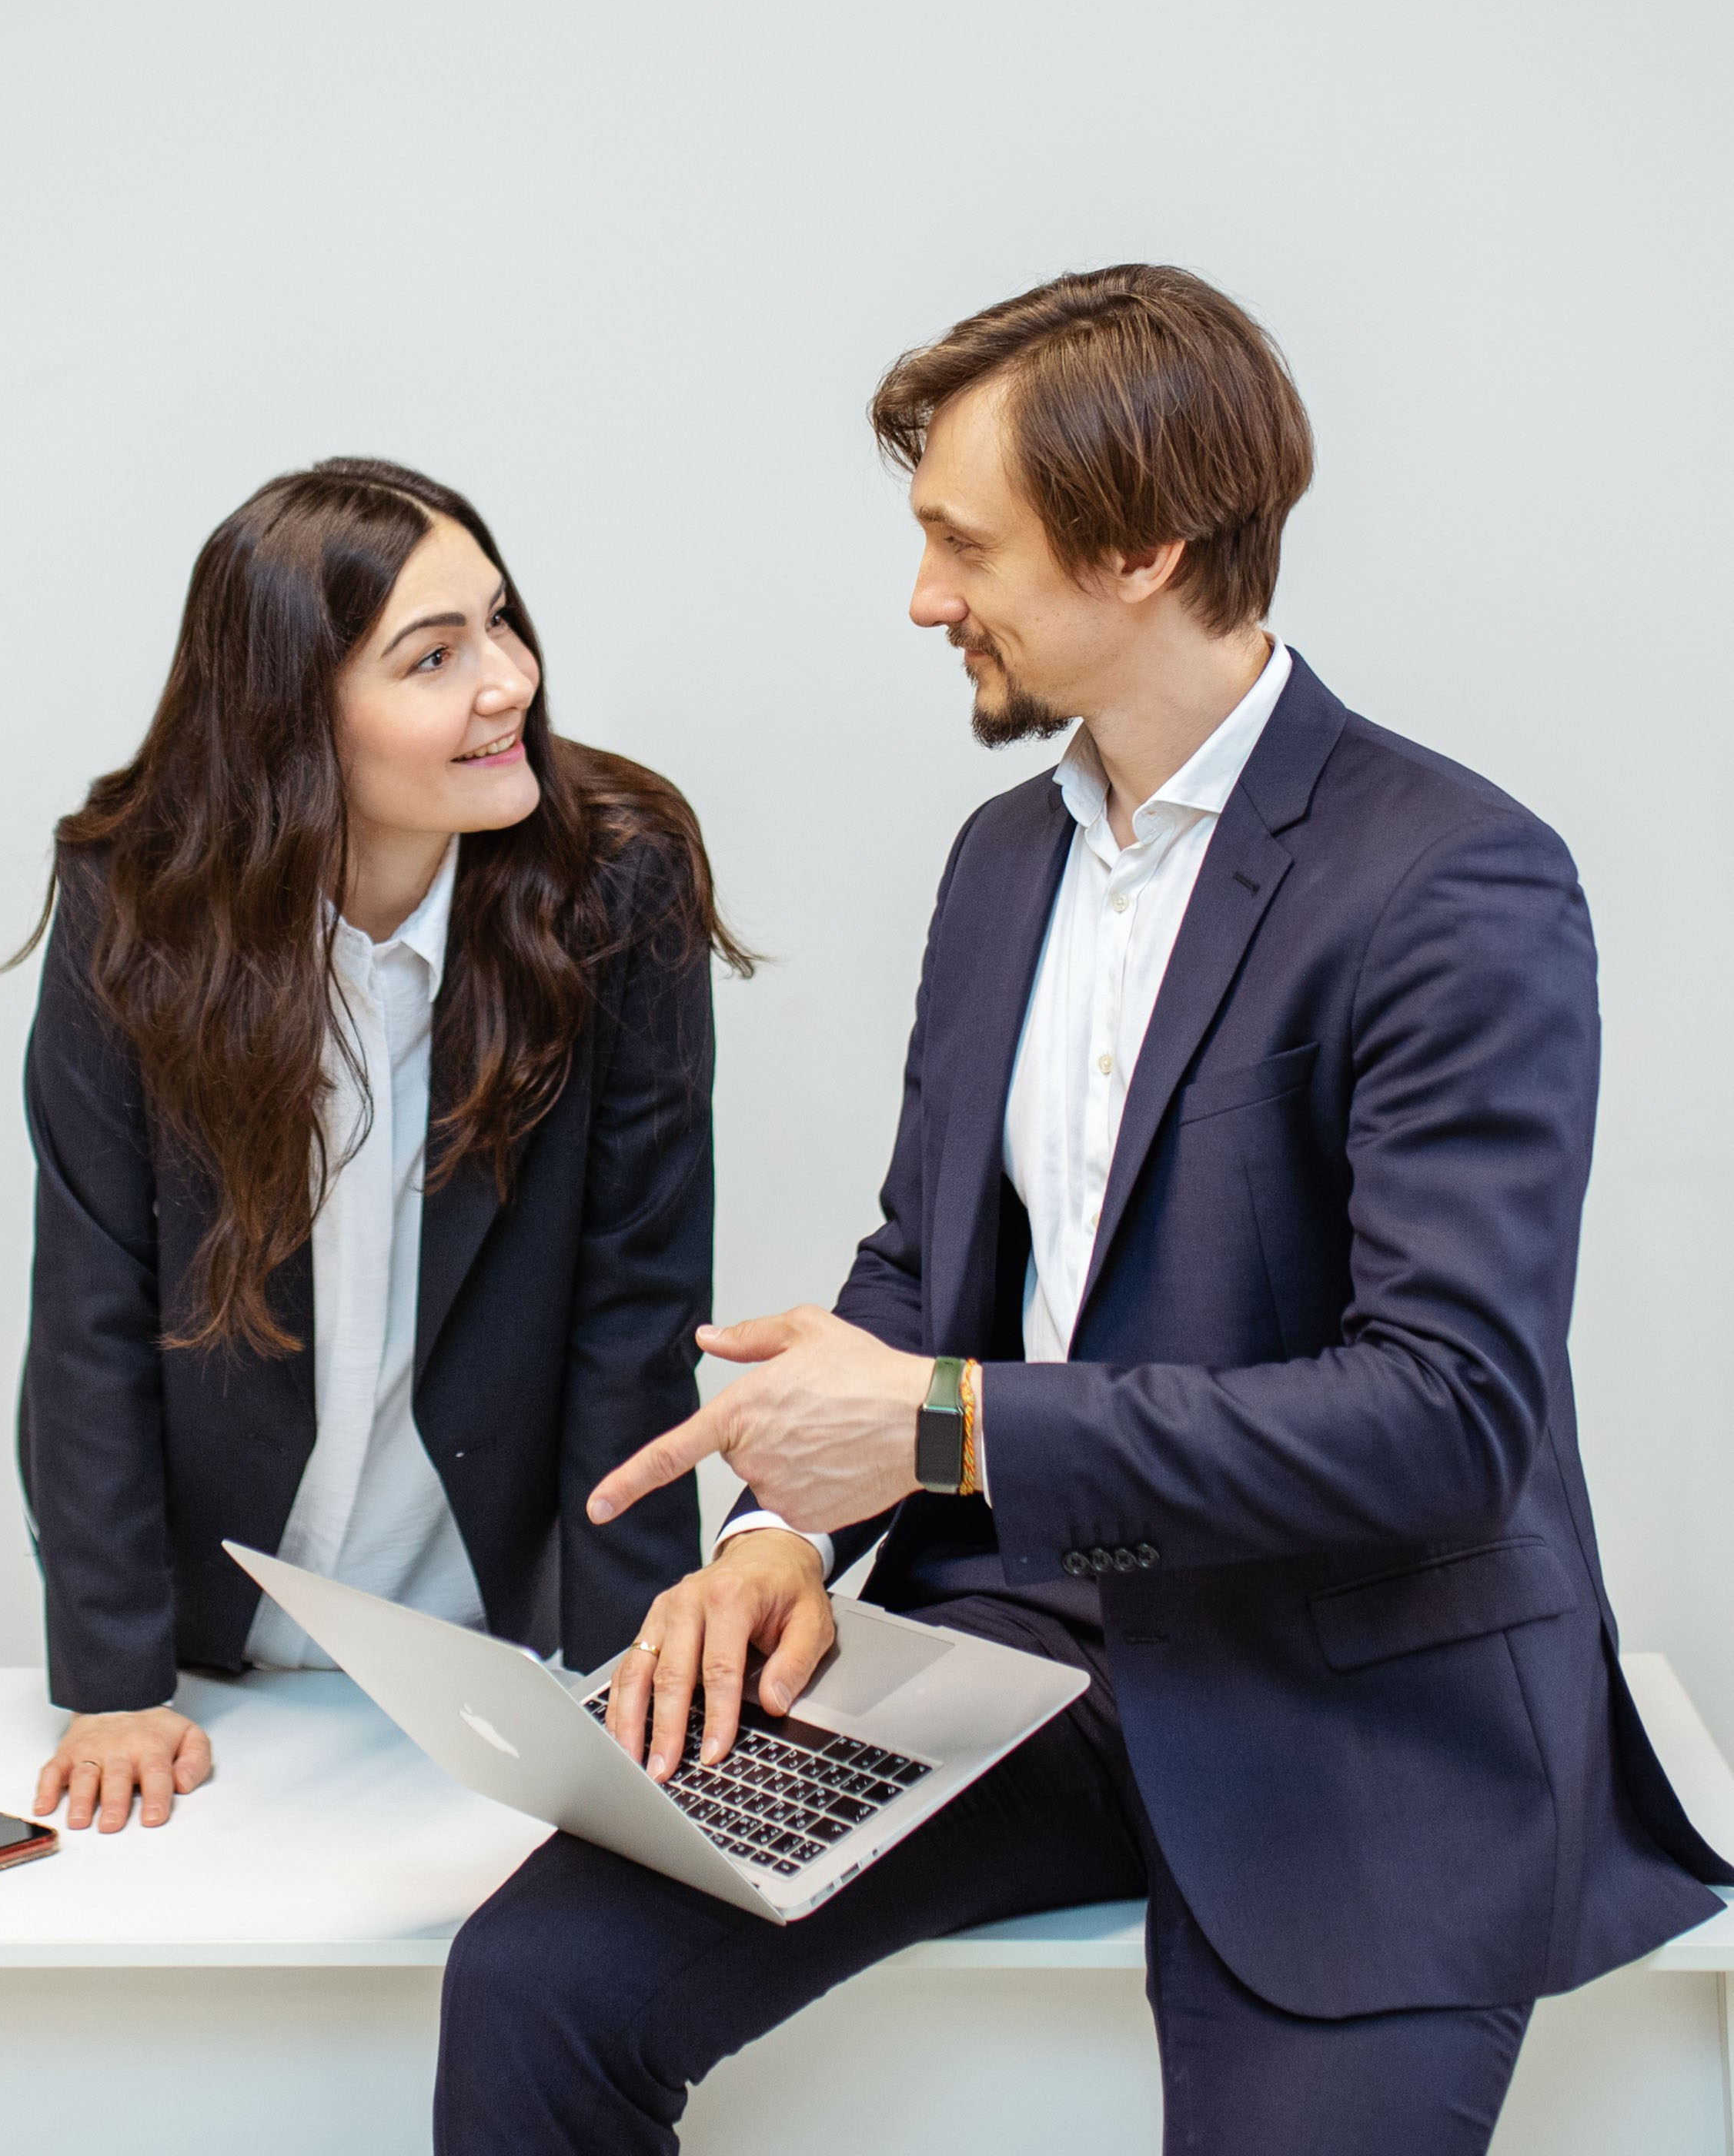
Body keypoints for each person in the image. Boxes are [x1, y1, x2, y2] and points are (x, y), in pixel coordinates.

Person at [435, 268, 1729, 2156]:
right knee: (537, 1989)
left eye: (963, 542)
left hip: (1354, 1717)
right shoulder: (1001, 860)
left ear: (1141, 547)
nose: (921, 595)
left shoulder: (1455, 881)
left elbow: (1447, 1418)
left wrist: (936, 1427)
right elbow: (925, 1262)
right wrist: (788, 1525)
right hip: (1020, 1648)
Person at [17, 457, 744, 1837]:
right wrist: (114, 1681)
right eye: (433, 656)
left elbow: (636, 1300)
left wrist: (630, 1661)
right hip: (216, 1633)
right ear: (292, 719)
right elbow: (91, 1303)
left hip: (494, 1619)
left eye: (501, 622)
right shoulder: (134, 900)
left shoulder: (617, 879)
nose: (508, 679)